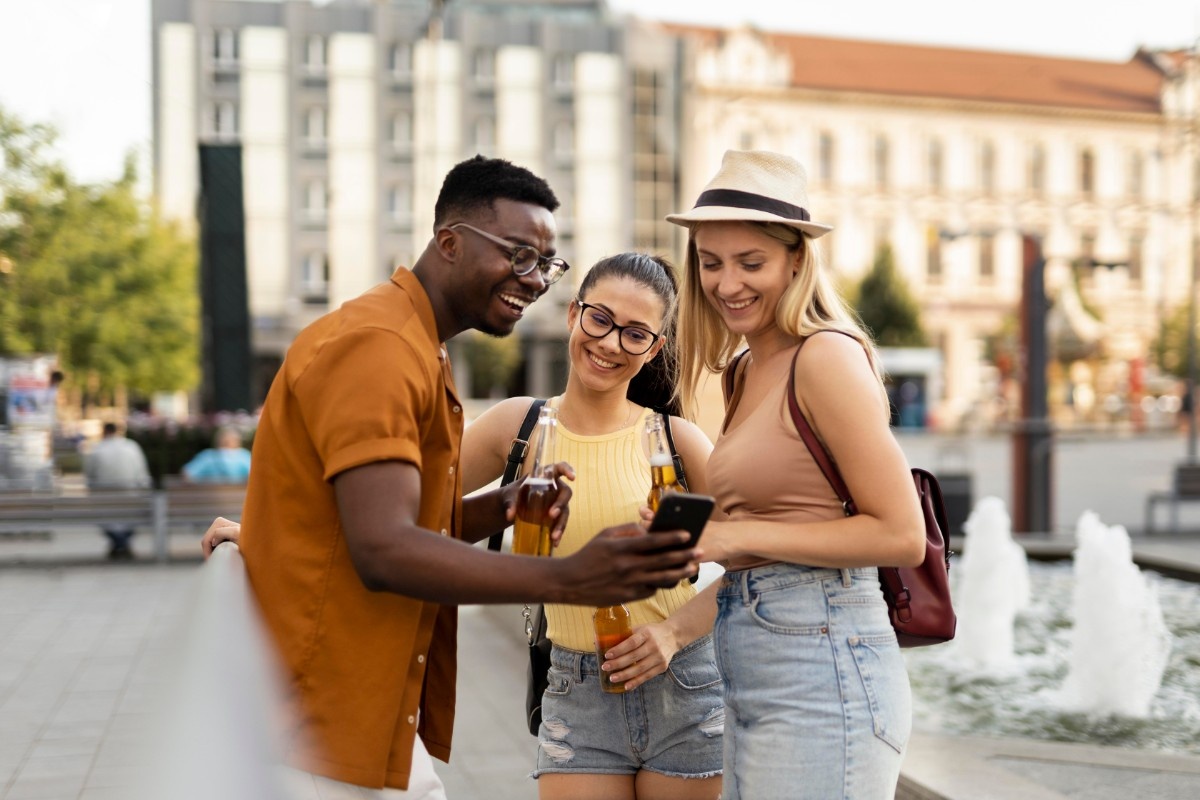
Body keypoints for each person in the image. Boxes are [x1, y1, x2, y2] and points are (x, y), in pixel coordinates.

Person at [235, 155, 701, 799]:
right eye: (518, 256)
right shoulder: (380, 347)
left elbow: (356, 515)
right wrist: (570, 575)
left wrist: (499, 509)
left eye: (545, 263)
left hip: (355, 714)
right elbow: (383, 549)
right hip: (319, 719)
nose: (534, 279)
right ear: (449, 243)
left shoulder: (417, 348)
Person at [665, 150, 926, 799]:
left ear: (794, 260)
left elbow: (900, 534)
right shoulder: (744, 371)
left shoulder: (826, 357)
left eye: (750, 262)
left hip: (824, 667)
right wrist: (693, 540)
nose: (727, 283)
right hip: (755, 661)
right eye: (711, 262)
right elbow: (769, 531)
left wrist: (731, 537)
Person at [84, 421, 152, 559]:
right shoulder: (132, 447)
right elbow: (143, 475)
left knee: (104, 516)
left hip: (106, 500)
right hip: (131, 498)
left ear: (104, 432)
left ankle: (118, 544)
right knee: (132, 515)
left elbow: (90, 478)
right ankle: (123, 544)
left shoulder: (97, 449)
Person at [181, 426, 251, 483]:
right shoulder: (243, 455)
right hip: (239, 498)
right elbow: (254, 476)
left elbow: (187, 473)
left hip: (208, 498)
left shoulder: (207, 456)